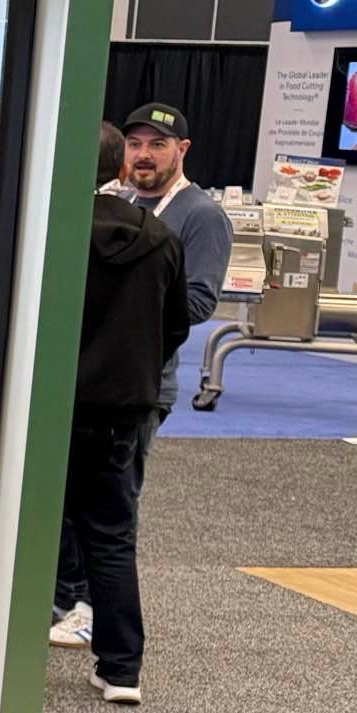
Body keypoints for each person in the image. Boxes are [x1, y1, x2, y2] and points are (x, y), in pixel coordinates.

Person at [52, 99, 230, 648]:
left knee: (112, 507)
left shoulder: (200, 216)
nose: (144, 155)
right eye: (135, 144)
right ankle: (68, 598)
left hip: (143, 384)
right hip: (86, 379)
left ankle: (90, 610)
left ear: (182, 150)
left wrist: (132, 317)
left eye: (157, 144)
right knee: (67, 506)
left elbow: (196, 304)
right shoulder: (117, 204)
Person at [61, 121, 190, 706]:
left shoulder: (50, 234)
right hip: (123, 411)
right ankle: (121, 670)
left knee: (14, 528)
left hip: (50, 407)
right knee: (111, 538)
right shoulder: (161, 237)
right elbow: (175, 325)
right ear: (118, 169)